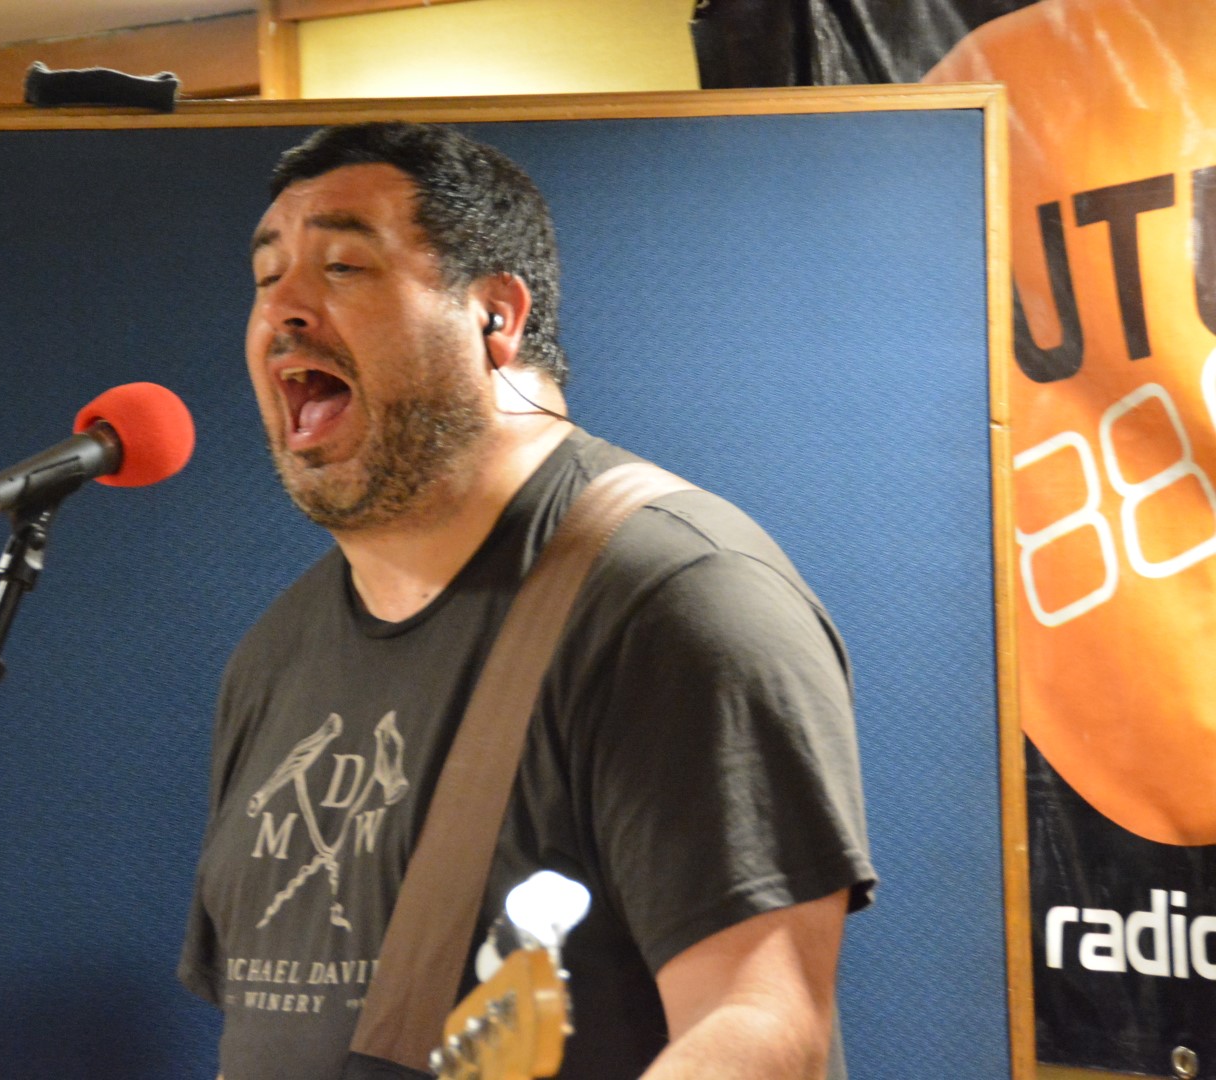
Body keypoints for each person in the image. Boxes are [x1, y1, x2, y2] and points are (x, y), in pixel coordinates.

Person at [178, 121, 875, 1080]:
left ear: (495, 315)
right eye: (266, 278)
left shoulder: (673, 602)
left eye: (342, 267)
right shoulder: (273, 658)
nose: (283, 311)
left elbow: (764, 1027)